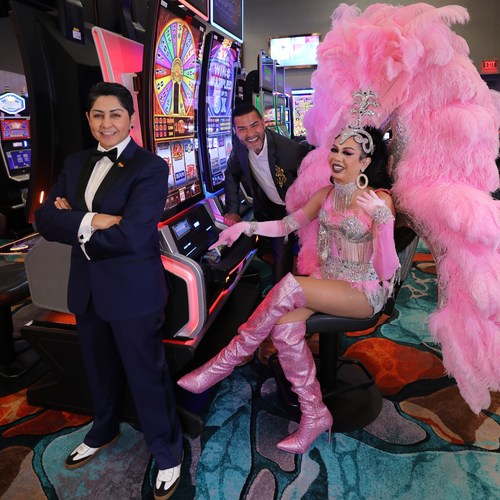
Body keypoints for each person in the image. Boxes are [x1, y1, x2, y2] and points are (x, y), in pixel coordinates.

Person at [178, 119, 400, 454]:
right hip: (329, 282)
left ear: (365, 162)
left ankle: (227, 360)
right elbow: (286, 223)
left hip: (364, 291)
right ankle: (314, 414)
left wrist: (382, 223)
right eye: (336, 149)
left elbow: (386, 269)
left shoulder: (379, 199)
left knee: (290, 285)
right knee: (284, 327)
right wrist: (245, 227)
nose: (337, 157)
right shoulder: (327, 193)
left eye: (348, 152)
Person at [35, 82, 183, 499]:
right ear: (88, 119)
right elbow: (43, 219)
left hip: (133, 291)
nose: (106, 123)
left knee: (146, 374)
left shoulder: (150, 167)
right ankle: (103, 429)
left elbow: (135, 237)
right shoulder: (75, 162)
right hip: (86, 288)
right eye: (98, 115)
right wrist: (96, 220)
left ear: (131, 119)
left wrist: (75, 221)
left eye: (115, 114)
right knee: (97, 368)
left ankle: (168, 452)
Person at [224, 103, 310, 282]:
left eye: (254, 125)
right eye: (242, 129)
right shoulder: (239, 146)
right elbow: (232, 172)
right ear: (235, 131)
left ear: (263, 124)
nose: (250, 134)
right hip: (270, 209)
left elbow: (311, 183)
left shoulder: (291, 151)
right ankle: (278, 294)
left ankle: (288, 296)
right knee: (275, 259)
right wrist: (232, 210)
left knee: (297, 262)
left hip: (298, 211)